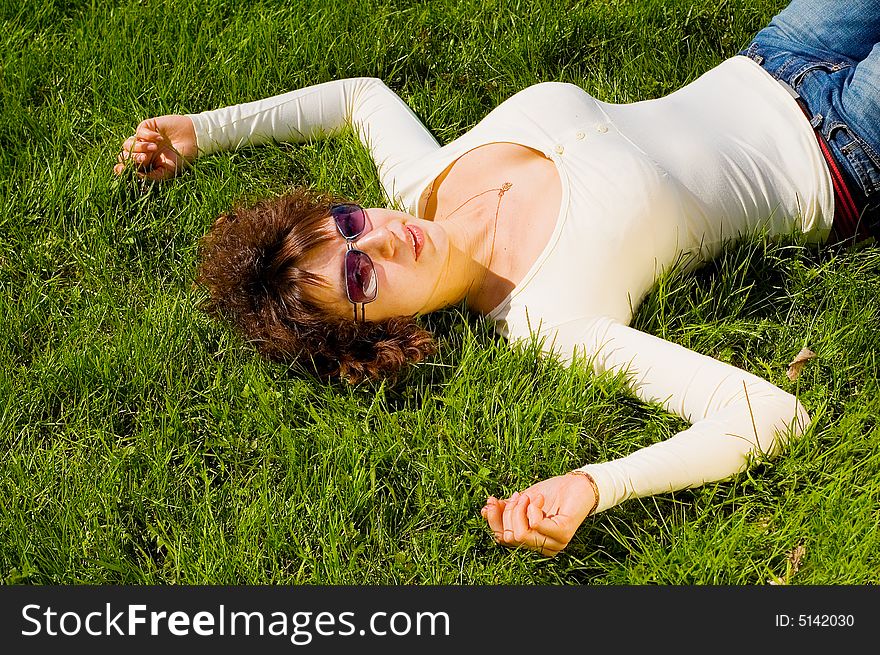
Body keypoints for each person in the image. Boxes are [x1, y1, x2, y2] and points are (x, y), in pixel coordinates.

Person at [114, 0, 879, 557]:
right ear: (376, 333)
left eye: (348, 223)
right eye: (359, 273)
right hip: (845, 150)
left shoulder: (423, 182)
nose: (381, 237)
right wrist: (595, 482)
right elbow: (767, 411)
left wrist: (201, 131)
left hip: (775, 54)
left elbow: (361, 95)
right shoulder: (550, 315)